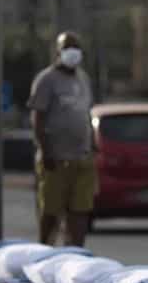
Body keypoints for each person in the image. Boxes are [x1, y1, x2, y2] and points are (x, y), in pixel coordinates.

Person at [29, 31, 97, 246]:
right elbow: (38, 118)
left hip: (82, 158)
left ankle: (76, 252)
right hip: (55, 159)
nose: (73, 53)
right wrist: (46, 150)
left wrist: (93, 145)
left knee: (80, 210)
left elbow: (87, 114)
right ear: (58, 52)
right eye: (68, 47)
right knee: (51, 210)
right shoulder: (46, 80)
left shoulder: (83, 79)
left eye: (76, 48)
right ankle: (45, 249)